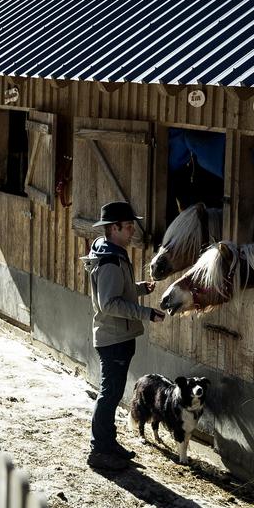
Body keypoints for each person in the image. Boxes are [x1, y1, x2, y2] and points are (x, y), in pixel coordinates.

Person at [82, 201, 166, 471]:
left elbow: (117, 293)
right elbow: (109, 304)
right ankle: (98, 450)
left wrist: (138, 288)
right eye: (128, 226)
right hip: (113, 337)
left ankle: (108, 443)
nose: (133, 231)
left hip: (118, 336)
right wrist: (146, 313)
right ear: (114, 228)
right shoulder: (109, 260)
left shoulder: (112, 252)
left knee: (113, 392)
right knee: (109, 394)